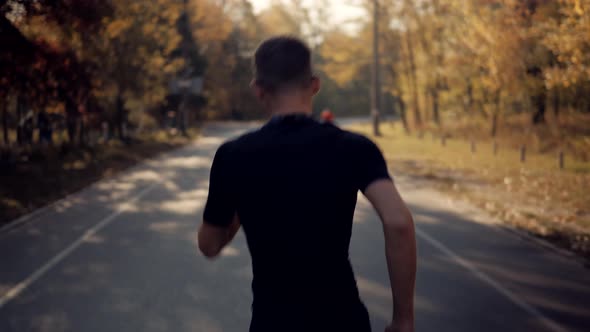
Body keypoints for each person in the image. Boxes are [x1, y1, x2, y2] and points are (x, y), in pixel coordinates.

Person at [198, 36, 416, 332]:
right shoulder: (354, 147)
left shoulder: (233, 156)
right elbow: (398, 222)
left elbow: (210, 245)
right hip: (343, 320)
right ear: (314, 85)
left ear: (258, 90)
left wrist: (243, 204)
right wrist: (403, 319)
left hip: (273, 322)